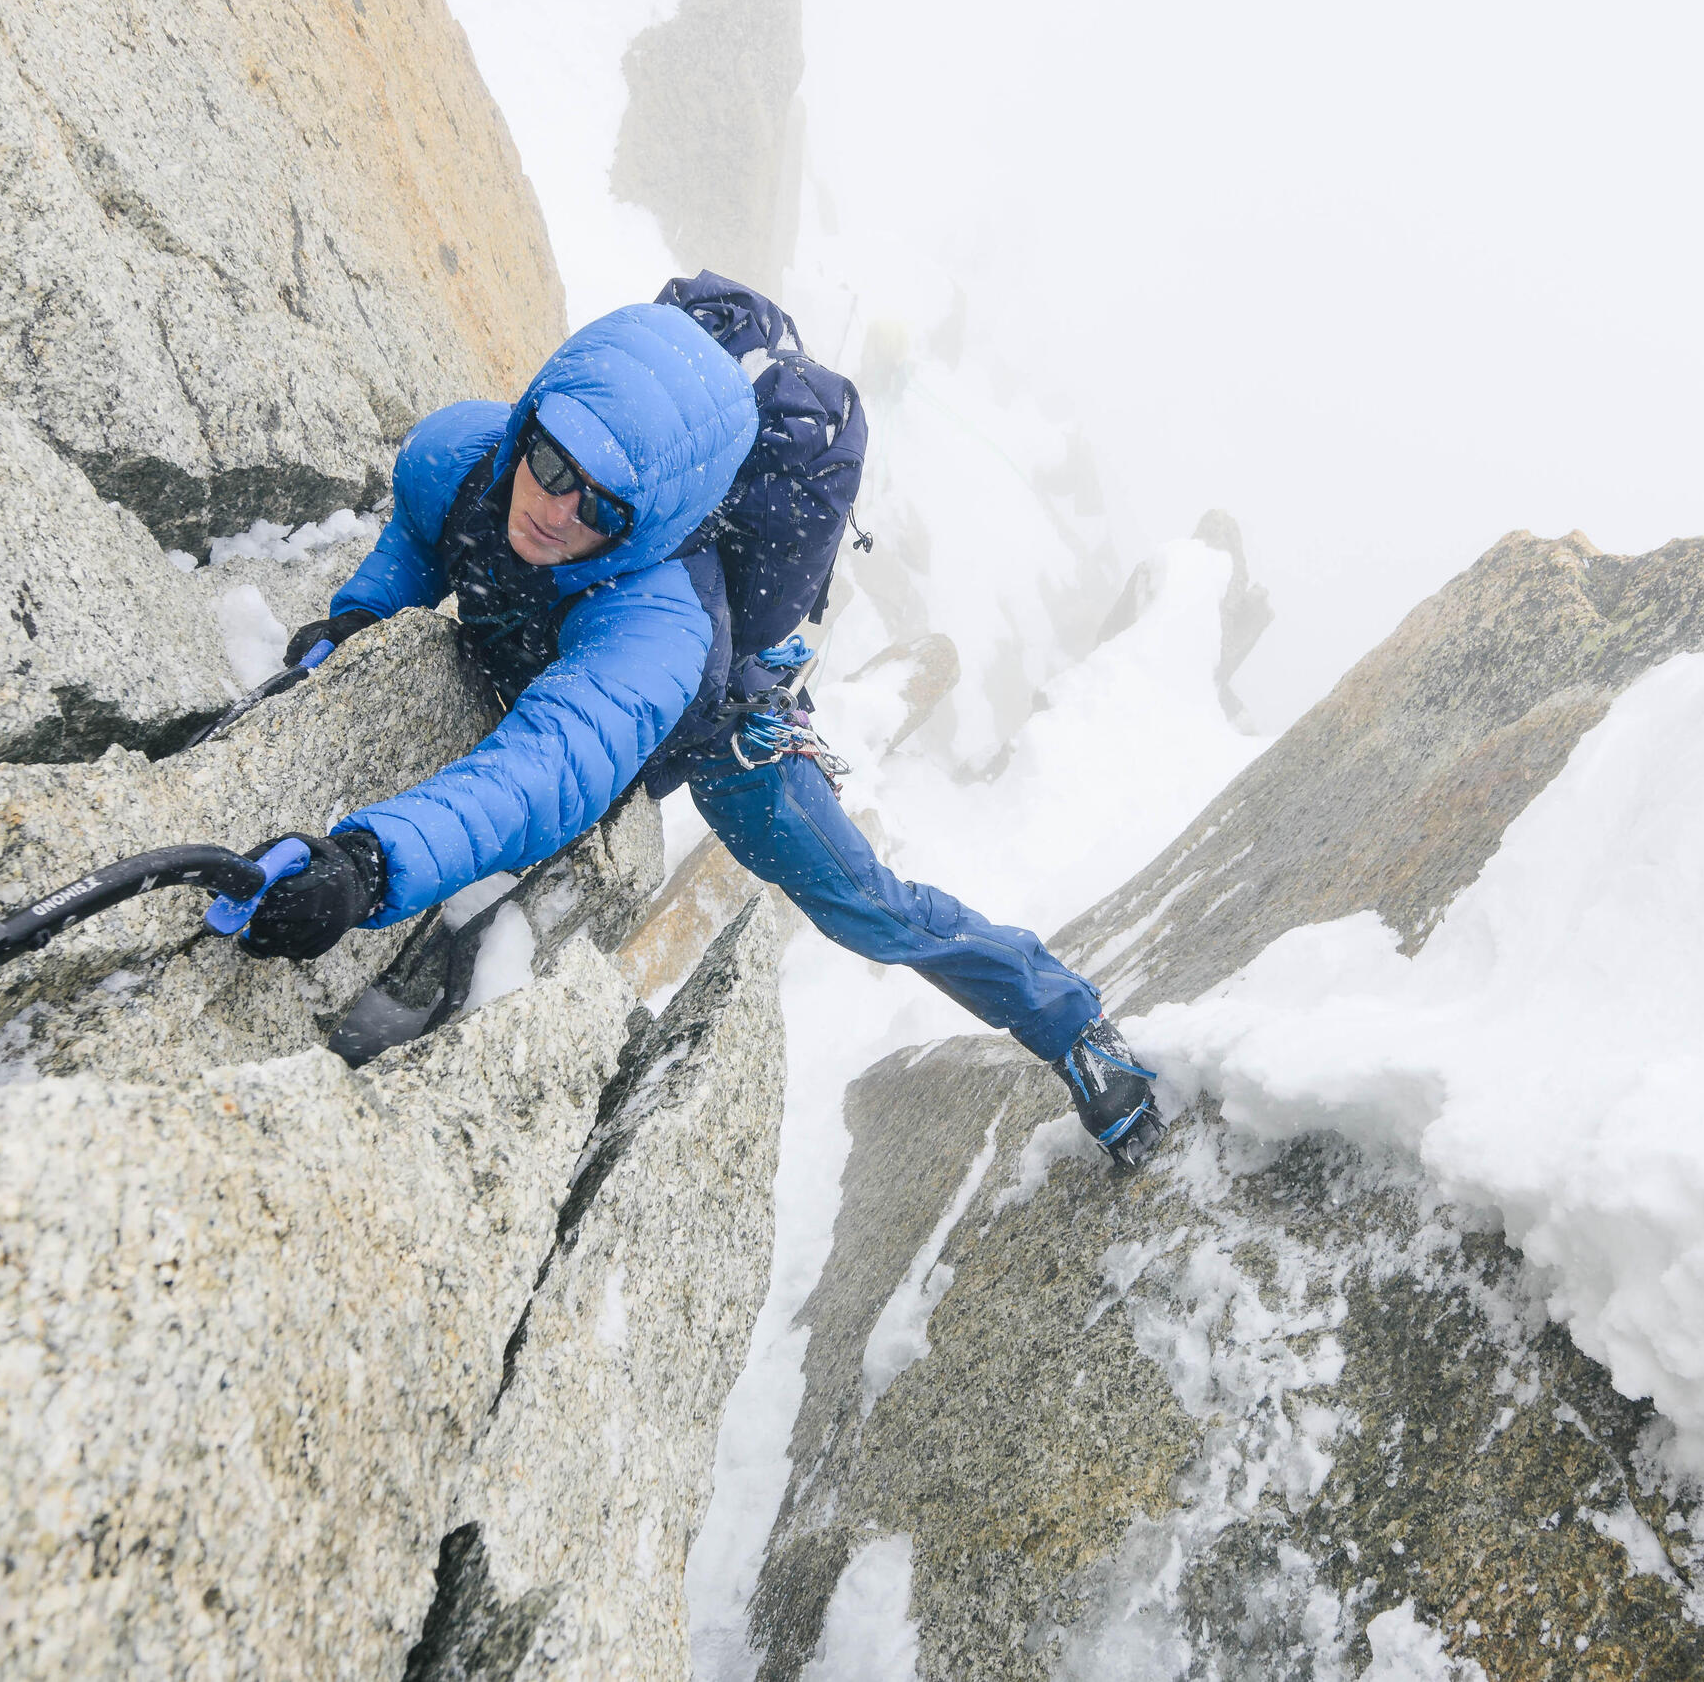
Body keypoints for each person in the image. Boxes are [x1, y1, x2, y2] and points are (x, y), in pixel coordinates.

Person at [226, 292, 1165, 1166]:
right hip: (567, 665)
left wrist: (368, 862)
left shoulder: (658, 628)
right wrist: (358, 621)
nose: (554, 508)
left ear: (649, 523)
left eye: (603, 506)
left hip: (722, 741)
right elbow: (416, 539)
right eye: (549, 462)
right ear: (528, 418)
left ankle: (1071, 1023)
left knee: (869, 908)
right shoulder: (459, 454)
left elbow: (545, 769)